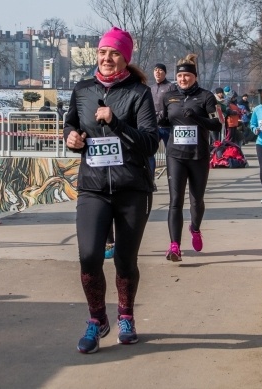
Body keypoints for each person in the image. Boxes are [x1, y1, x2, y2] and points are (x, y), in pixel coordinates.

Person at [63, 26, 159, 354]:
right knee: (89, 256)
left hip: (132, 187)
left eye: (114, 53)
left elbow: (150, 140)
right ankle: (96, 320)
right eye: (103, 52)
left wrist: (116, 122)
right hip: (93, 187)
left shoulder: (139, 93)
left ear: (125, 58)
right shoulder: (83, 89)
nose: (107, 58)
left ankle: (126, 316)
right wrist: (71, 139)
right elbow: (72, 124)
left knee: (124, 259)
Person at [157, 54, 222, 262]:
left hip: (198, 156)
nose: (183, 79)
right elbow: (166, 121)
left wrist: (195, 117)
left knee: (196, 200)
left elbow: (216, 125)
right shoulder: (169, 95)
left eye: (187, 75)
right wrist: (161, 120)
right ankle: (174, 246)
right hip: (175, 155)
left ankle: (195, 228)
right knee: (175, 201)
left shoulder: (206, 97)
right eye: (180, 76)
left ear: (195, 77)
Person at [150, 62, 177, 184]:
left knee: (171, 154)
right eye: (155, 70)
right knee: (149, 152)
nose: (157, 72)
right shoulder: (151, 88)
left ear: (165, 73)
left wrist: (162, 116)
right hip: (154, 126)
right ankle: (150, 180)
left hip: (167, 126)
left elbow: (173, 105)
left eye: (160, 70)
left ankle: (173, 179)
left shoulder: (170, 87)